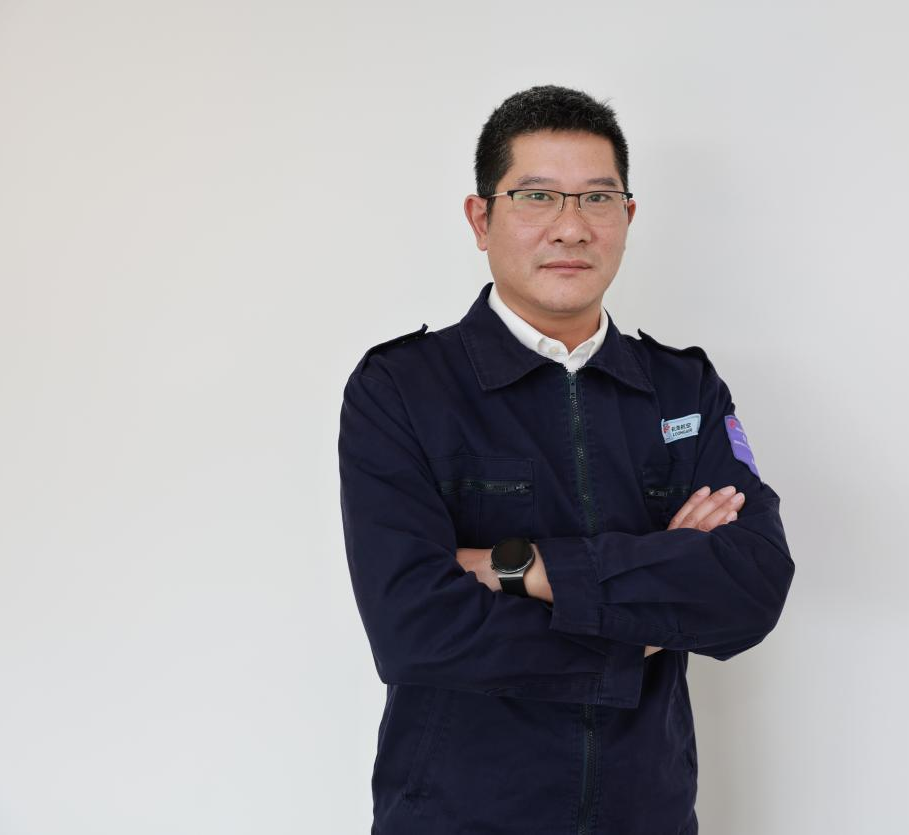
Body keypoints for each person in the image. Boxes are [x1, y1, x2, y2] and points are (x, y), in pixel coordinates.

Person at [338, 84, 795, 835]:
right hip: (456, 818)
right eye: (537, 196)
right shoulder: (402, 389)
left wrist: (519, 568)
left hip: (648, 816)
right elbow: (414, 628)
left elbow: (752, 585)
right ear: (481, 218)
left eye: (598, 198)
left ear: (628, 217)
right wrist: (649, 617)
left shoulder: (683, 387)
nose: (572, 227)